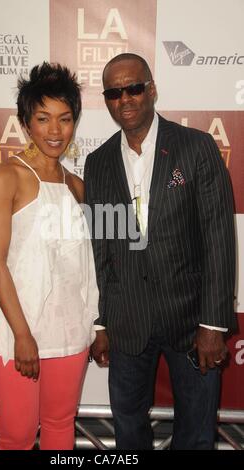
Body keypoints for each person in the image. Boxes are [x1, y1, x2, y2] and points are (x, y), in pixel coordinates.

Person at [84, 53, 236, 450]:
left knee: (197, 432)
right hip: (126, 321)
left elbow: (219, 237)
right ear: (107, 100)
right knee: (128, 429)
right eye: (115, 92)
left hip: (191, 322)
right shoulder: (97, 163)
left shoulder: (196, 147)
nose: (126, 99)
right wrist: (101, 324)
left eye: (134, 88)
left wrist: (214, 324)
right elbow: (102, 247)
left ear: (152, 89)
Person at [0, 62, 99, 450]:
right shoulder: (6, 177)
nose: (54, 130)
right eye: (43, 118)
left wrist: (95, 326)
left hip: (68, 332)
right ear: (26, 122)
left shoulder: (77, 187)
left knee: (60, 428)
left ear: (74, 123)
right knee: (15, 437)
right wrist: (22, 335)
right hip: (18, 331)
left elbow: (86, 268)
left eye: (64, 119)